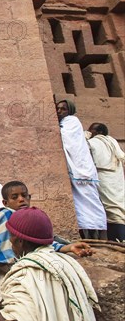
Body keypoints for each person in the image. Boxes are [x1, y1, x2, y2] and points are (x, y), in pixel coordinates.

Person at [0, 181, 93, 321]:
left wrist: (68, 247)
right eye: (15, 197)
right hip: (1, 278)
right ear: (5, 202)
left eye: (24, 196)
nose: (21, 200)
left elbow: (43, 240)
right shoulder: (5, 216)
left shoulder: (33, 219)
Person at [56, 100, 107, 239]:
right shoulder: (65, 123)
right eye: (58, 108)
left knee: (91, 203)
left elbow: (67, 138)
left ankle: (100, 236)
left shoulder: (72, 121)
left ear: (70, 111)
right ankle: (87, 236)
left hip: (82, 171)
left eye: (63, 109)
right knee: (81, 205)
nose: (60, 111)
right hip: (77, 171)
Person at [87, 123, 125, 241]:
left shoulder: (93, 142)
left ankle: (117, 239)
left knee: (110, 208)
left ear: (97, 132)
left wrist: (85, 136)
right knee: (118, 208)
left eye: (90, 130)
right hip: (116, 179)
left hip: (104, 178)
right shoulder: (112, 142)